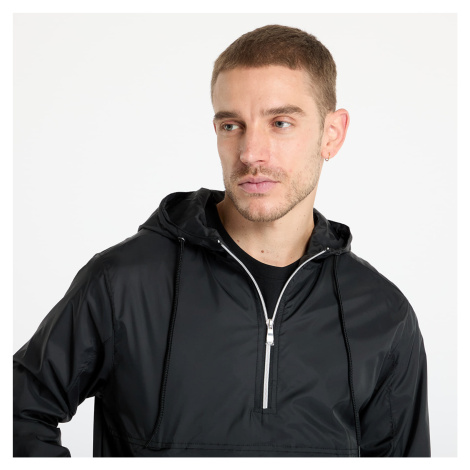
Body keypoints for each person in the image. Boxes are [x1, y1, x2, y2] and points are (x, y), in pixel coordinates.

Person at [13, 24, 430, 457]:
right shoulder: (124, 283)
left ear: (332, 134)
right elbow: (17, 415)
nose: (250, 153)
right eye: (232, 125)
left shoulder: (383, 313)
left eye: (280, 123)